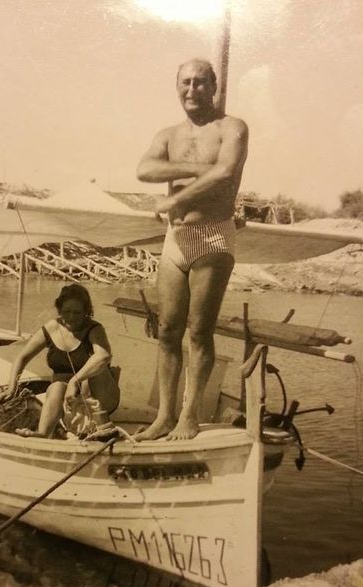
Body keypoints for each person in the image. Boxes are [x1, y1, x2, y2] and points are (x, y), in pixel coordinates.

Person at [134, 58, 248, 441]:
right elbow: (144, 170)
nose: (192, 89)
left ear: (214, 87)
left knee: (199, 332)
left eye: (200, 82)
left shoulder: (232, 127)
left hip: (212, 236)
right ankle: (165, 416)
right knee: (168, 330)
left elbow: (227, 172)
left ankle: (190, 415)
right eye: (185, 82)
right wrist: (201, 169)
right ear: (177, 86)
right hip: (176, 240)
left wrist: (174, 198)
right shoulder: (168, 134)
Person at [6, 284, 119, 438]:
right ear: (59, 310)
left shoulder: (95, 329)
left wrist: (75, 381)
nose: (71, 317)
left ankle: (99, 425)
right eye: (66, 312)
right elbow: (22, 357)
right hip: (66, 399)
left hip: (98, 397)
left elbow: (103, 355)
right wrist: (11, 388)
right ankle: (42, 434)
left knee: (96, 369)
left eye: (77, 312)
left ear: (86, 312)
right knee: (56, 387)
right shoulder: (51, 328)